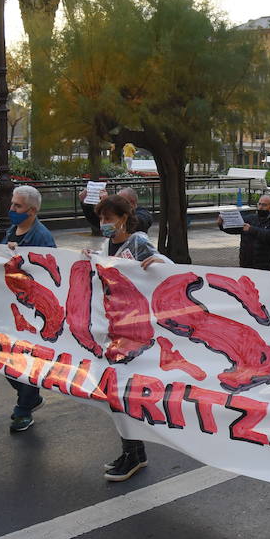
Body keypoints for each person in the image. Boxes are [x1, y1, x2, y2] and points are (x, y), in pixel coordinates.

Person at [0, 185, 57, 434]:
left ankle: (23, 409)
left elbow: (49, 275)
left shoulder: (42, 238)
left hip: (31, 310)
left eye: (17, 206)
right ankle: (30, 398)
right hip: (10, 308)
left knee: (25, 360)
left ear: (32, 210)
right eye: (12, 204)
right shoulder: (12, 231)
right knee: (7, 357)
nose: (11, 209)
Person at [94, 194, 172, 480]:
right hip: (113, 327)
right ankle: (133, 451)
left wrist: (158, 262)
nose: (104, 224)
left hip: (135, 329)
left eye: (109, 218)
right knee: (114, 392)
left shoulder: (137, 242)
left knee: (121, 392)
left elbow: (164, 266)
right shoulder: (106, 245)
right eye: (101, 218)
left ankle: (133, 452)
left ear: (123, 218)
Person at [219, 194, 270, 270]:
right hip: (246, 265)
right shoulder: (250, 218)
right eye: (259, 204)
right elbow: (235, 228)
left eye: (264, 205)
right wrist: (222, 225)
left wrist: (251, 229)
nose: (261, 207)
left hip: (266, 267)